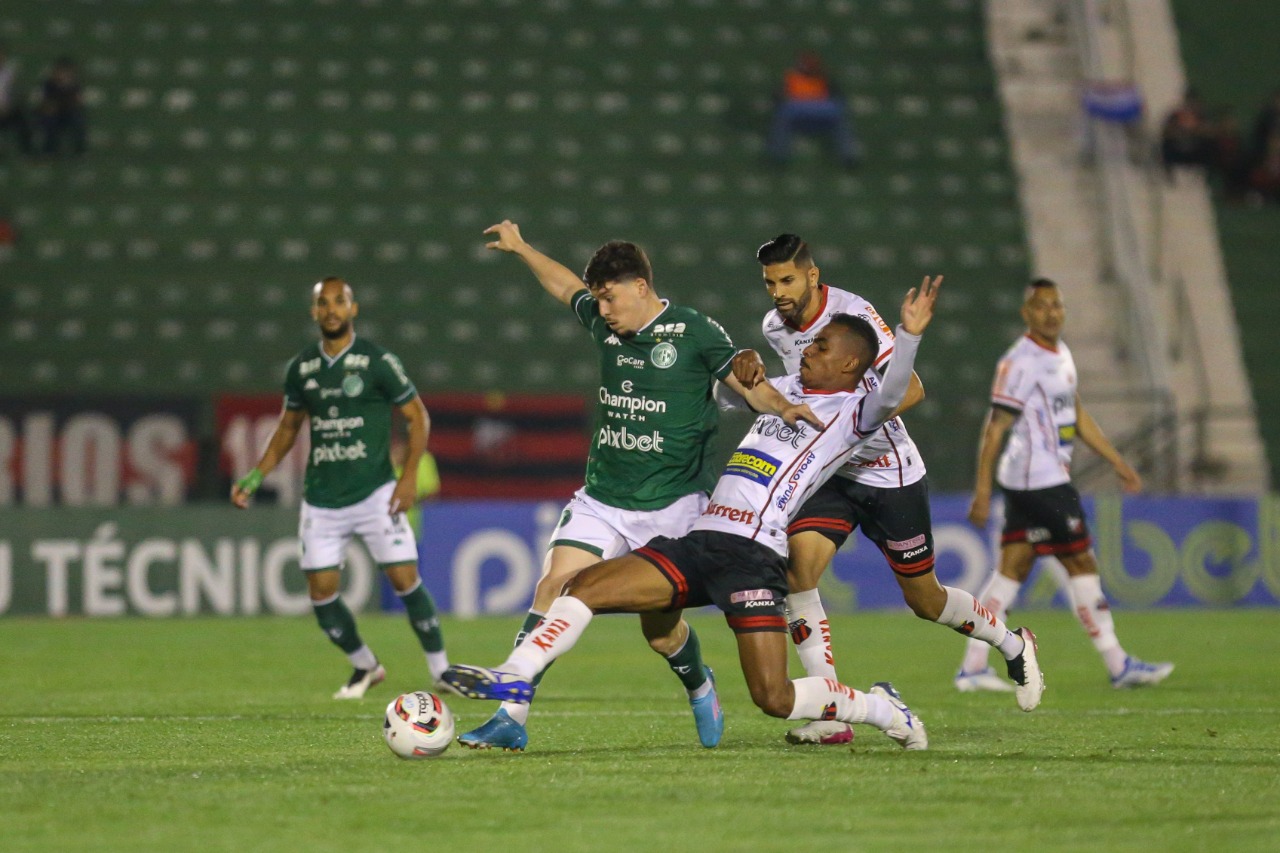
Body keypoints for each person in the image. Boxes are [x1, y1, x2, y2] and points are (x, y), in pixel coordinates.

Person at [443, 280, 1044, 750]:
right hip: (703, 537)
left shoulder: (854, 411)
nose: (810, 352)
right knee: (580, 586)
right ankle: (514, 673)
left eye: (825, 348)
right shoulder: (788, 388)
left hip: (754, 557)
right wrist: (744, 361)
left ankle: (880, 708)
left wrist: (909, 337)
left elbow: (891, 393)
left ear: (849, 367)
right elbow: (727, 386)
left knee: (774, 698)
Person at [456, 221, 820, 752]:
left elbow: (748, 385)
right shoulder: (605, 326)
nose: (603, 309)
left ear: (641, 287)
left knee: (660, 633)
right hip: (603, 498)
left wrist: (784, 406)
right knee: (551, 587)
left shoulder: (695, 332)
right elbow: (564, 287)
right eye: (599, 299)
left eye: (610, 298)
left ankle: (698, 681)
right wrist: (521, 248)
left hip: (674, 507)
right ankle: (510, 717)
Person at [731, 236, 1042, 747]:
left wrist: (856, 425)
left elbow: (912, 388)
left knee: (925, 599)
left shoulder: (853, 314)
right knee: (798, 572)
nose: (778, 293)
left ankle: (1013, 643)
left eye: (787, 280)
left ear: (812, 275)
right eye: (769, 283)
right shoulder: (773, 327)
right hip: (833, 473)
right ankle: (831, 713)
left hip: (889, 472)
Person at [231, 277, 451, 699]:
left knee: (406, 579)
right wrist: (255, 476)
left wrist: (407, 479)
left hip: (375, 494)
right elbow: (288, 427)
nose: (331, 309)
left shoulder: (377, 361)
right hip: (322, 499)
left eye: (339, 301)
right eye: (323, 303)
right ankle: (365, 665)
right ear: (314, 312)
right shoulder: (302, 369)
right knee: (321, 595)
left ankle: (441, 670)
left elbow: (418, 417)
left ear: (354, 309)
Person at [958, 278, 1173, 691]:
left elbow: (1075, 413)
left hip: (1037, 481)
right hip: (1041, 483)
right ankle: (1118, 664)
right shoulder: (1019, 361)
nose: (1051, 313)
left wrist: (1117, 462)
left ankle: (971, 667)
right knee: (1082, 565)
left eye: (1057, 305)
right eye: (1041, 306)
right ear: (1027, 313)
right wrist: (982, 490)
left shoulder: (1061, 355)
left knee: (1010, 572)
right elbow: (995, 427)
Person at [767, 51, 860, 168]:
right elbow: (777, 98)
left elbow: (839, 98)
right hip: (797, 118)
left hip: (821, 118)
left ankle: (848, 156)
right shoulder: (791, 78)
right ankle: (778, 156)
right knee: (782, 117)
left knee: (841, 120)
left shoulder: (824, 79)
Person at [37, 56, 86, 157]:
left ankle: (80, 150)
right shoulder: (49, 85)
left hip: (68, 114)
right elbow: (46, 104)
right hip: (52, 115)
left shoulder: (74, 85)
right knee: (49, 121)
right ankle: (50, 149)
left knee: (78, 120)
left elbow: (79, 102)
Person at [0, 44, 34, 156]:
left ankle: (27, 153)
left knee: (24, 119)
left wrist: (9, 107)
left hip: (9, 111)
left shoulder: (12, 74)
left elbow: (20, 95)